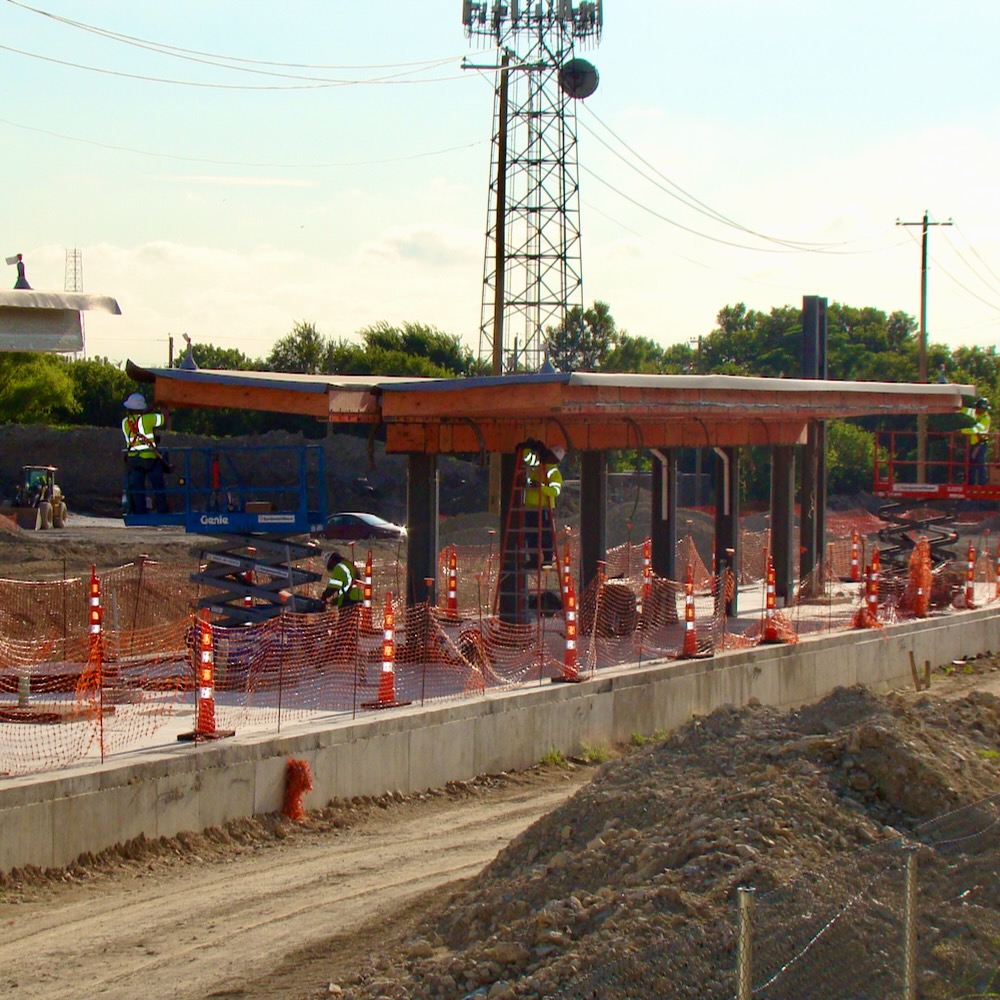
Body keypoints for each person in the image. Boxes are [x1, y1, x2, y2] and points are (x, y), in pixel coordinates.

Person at [121, 392, 170, 514]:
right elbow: (164, 417)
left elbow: (139, 420)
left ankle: (139, 512)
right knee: (158, 484)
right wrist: (163, 406)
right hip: (149, 458)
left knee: (137, 488)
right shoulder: (149, 419)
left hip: (133, 460)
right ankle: (162, 510)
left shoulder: (125, 422)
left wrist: (151, 407)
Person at [521, 440, 565, 568]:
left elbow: (555, 491)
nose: (548, 457)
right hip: (530, 507)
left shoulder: (554, 473)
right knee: (531, 535)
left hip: (544, 508)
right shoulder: (538, 465)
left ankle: (547, 560)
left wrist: (540, 487)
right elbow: (526, 457)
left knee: (546, 535)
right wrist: (529, 447)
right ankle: (534, 561)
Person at [961, 396, 991, 486]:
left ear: (983, 409)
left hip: (981, 445)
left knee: (980, 464)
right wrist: (959, 409)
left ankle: (982, 484)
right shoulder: (976, 414)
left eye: (978, 408)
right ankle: (971, 483)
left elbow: (976, 430)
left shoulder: (986, 419)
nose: (976, 409)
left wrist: (963, 431)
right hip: (975, 445)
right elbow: (968, 411)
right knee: (972, 464)